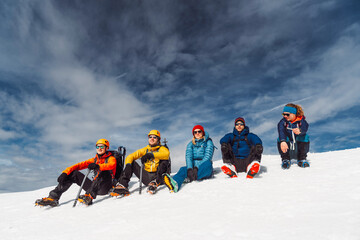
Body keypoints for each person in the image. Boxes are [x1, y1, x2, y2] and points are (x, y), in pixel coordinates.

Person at [35, 139, 117, 206]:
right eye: (97, 146)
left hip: (105, 187)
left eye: (102, 146)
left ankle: (89, 197)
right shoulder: (94, 160)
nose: (99, 148)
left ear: (106, 148)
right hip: (94, 186)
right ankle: (53, 198)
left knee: (104, 172)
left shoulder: (111, 158)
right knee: (74, 173)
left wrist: (98, 167)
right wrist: (65, 173)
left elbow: (111, 165)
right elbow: (78, 165)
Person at [110, 130, 170, 196]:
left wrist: (151, 155)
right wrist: (128, 165)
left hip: (160, 177)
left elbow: (166, 154)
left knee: (164, 160)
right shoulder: (145, 149)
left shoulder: (162, 148)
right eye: (150, 137)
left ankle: (155, 182)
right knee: (131, 162)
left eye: (154, 137)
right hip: (147, 177)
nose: (152, 139)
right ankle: (123, 185)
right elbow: (131, 156)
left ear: (158, 139)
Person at [162, 125, 214, 193]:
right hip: (193, 166)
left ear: (203, 132)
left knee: (208, 165)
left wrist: (197, 167)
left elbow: (208, 156)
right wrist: (190, 168)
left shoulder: (208, 142)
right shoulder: (190, 144)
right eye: (195, 132)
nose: (197, 133)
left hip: (203, 165)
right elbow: (188, 157)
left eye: (199, 131)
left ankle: (190, 178)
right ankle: (174, 183)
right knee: (183, 169)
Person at [278, 103, 310, 169]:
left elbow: (305, 128)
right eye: (283, 114)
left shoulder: (301, 121)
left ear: (294, 114)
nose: (285, 116)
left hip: (299, 145)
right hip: (288, 145)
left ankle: (302, 159)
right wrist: (282, 141)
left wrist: (300, 130)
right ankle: (285, 159)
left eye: (287, 114)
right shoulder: (283, 122)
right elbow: (281, 131)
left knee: (305, 137)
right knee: (280, 139)